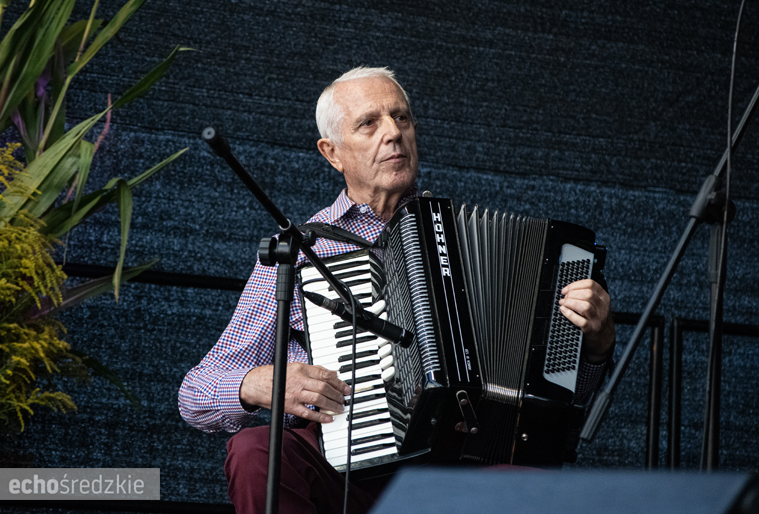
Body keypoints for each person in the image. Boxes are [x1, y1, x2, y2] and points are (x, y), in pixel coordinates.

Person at [179, 66, 616, 514]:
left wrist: (597, 346)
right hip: (344, 472)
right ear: (332, 153)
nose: (393, 133)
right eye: (369, 123)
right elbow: (196, 393)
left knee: (530, 477)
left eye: (402, 118)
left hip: (460, 466)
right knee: (256, 452)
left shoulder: (465, 238)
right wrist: (259, 384)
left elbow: (560, 403)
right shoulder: (302, 248)